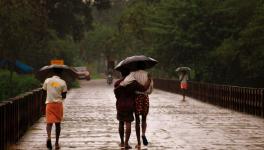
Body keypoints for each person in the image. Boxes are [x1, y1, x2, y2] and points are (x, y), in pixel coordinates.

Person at [120, 62, 153, 148]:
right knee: (144, 118)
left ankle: (138, 143)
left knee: (137, 120)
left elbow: (124, 83)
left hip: (137, 97)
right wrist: (146, 92)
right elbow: (150, 89)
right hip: (145, 97)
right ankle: (143, 134)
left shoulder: (133, 74)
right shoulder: (148, 75)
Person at [42, 68, 67, 149]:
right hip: (58, 105)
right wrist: (58, 93)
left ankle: (49, 137)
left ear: (53, 72)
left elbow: (43, 92)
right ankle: (56, 143)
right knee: (58, 124)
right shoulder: (63, 82)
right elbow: (64, 95)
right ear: (61, 74)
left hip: (49, 104)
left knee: (49, 123)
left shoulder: (47, 81)